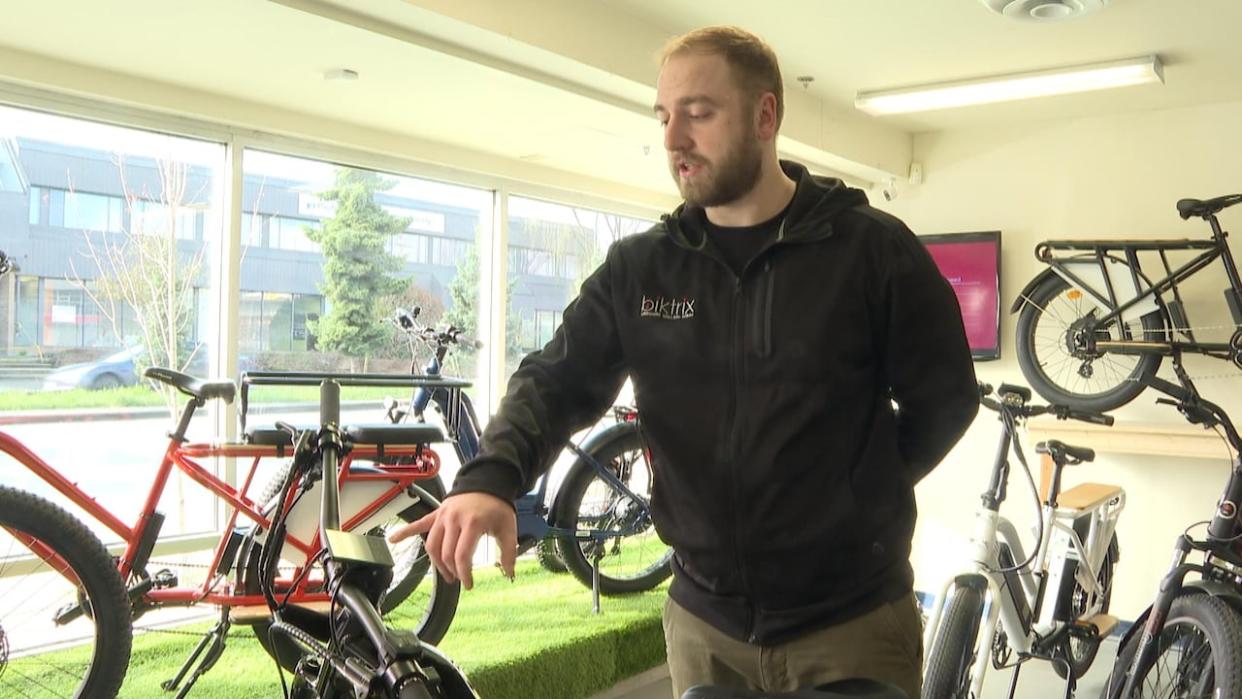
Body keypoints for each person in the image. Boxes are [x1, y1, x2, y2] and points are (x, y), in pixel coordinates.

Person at [391, 25, 978, 699]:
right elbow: (555, 379)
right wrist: (489, 475)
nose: (673, 139)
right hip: (705, 628)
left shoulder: (869, 251)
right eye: (665, 116)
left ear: (766, 115)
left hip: (850, 626)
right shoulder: (641, 269)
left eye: (698, 113)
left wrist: (855, 490)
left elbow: (947, 398)